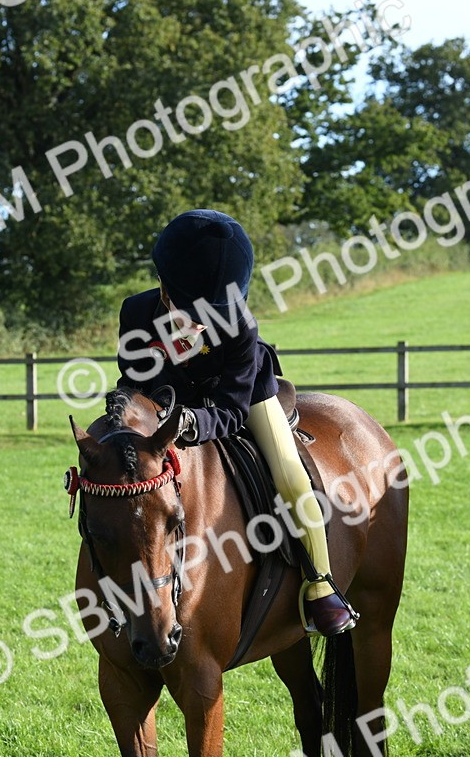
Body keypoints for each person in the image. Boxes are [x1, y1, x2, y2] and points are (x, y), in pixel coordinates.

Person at [115, 209, 358, 635]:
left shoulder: (241, 326)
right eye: (194, 312)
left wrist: (191, 422)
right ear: (165, 289)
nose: (203, 323)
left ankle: (321, 583)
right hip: (167, 402)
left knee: (290, 472)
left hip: (243, 397)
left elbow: (230, 410)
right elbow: (136, 382)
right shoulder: (137, 313)